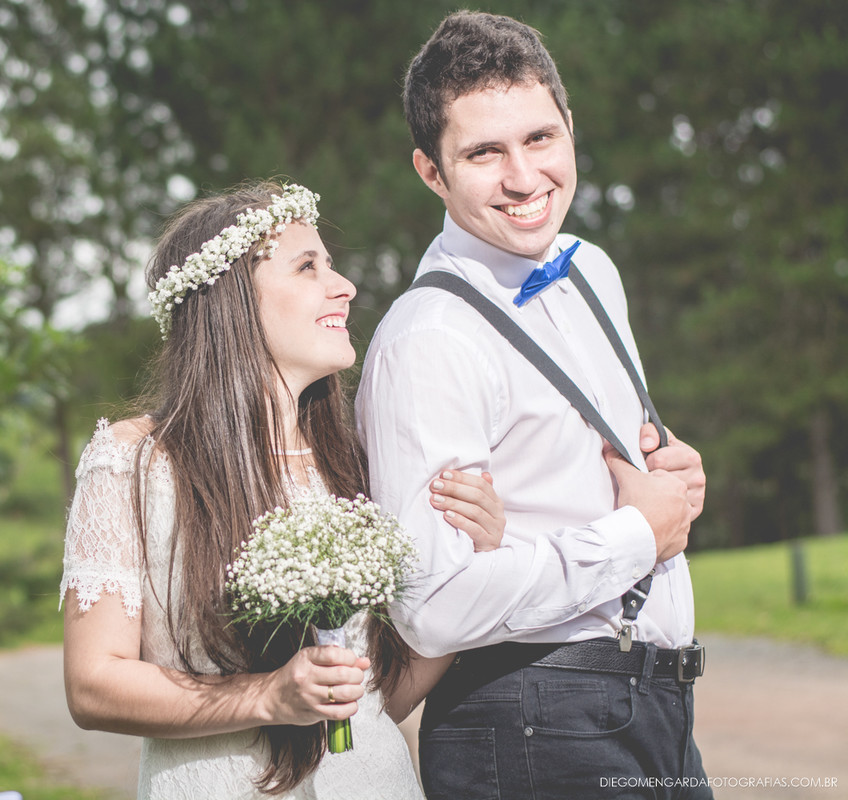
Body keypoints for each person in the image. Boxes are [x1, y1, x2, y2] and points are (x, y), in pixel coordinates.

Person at [356, 11, 712, 800]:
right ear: (430, 172)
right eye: (484, 152)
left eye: (540, 139)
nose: (523, 178)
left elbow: (590, 472)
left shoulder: (594, 270)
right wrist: (635, 534)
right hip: (531, 719)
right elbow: (434, 607)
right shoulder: (429, 339)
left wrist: (671, 481)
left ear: (570, 128)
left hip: (658, 706)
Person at [60, 180, 503, 799]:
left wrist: (479, 567)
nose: (344, 286)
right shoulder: (133, 463)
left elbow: (382, 695)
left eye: (332, 264)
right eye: (307, 266)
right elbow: (92, 684)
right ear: (232, 304)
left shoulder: (360, 462)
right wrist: (268, 696)